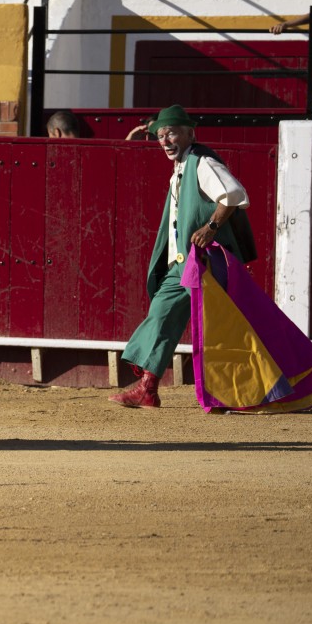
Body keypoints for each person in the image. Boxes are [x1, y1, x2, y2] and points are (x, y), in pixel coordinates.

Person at [109, 104, 255, 408]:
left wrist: (212, 226)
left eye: (171, 133)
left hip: (208, 261)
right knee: (164, 313)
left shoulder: (202, 162)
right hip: (185, 261)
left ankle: (242, 390)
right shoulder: (182, 168)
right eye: (161, 136)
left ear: (190, 133)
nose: (165, 140)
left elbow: (234, 194)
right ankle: (148, 388)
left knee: (217, 326)